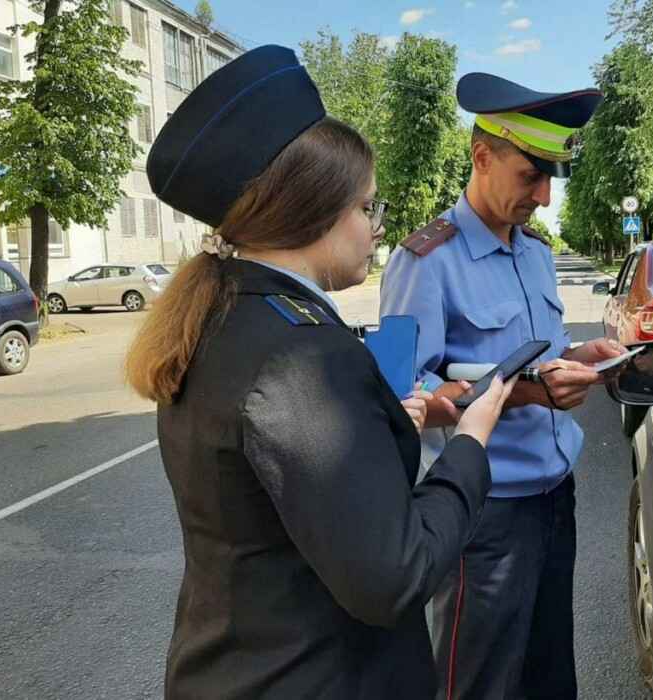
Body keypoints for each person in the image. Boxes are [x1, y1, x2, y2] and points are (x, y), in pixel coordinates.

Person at [124, 45, 515, 699]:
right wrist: (471, 443)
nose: (374, 228)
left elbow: (279, 494)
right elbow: (392, 575)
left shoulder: (223, 321)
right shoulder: (301, 356)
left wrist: (394, 423)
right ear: (316, 211)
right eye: (367, 208)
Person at [379, 72, 624, 700]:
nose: (543, 195)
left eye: (551, 178)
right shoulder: (423, 259)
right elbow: (393, 399)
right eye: (530, 175)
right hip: (483, 515)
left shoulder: (535, 254)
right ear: (482, 156)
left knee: (549, 678)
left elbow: (530, 355)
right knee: (480, 685)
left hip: (554, 500)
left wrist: (578, 356)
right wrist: (527, 394)